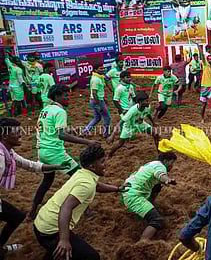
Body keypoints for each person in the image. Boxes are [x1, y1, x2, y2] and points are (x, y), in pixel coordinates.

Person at [33, 145, 129, 260]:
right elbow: (65, 208)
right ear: (92, 166)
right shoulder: (86, 184)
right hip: (50, 232)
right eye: (102, 162)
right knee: (92, 257)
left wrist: (117, 189)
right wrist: (64, 240)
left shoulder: (82, 173)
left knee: (58, 253)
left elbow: (97, 186)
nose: (106, 164)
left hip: (41, 222)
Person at [28, 85, 98, 220]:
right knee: (81, 178)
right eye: (65, 96)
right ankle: (87, 212)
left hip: (42, 151)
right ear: (57, 96)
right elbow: (61, 135)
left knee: (47, 182)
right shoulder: (60, 111)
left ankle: (32, 211)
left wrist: (70, 130)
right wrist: (87, 142)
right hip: (55, 152)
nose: (68, 98)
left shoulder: (46, 108)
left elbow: (51, 130)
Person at [0, 118, 62, 260]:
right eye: (17, 132)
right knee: (15, 216)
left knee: (17, 217)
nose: (21, 134)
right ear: (4, 135)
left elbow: (30, 165)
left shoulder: (8, 152)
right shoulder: (1, 157)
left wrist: (56, 166)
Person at [120, 152, 177, 241]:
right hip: (133, 196)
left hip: (127, 189)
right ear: (165, 161)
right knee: (157, 220)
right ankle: (142, 244)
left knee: (158, 185)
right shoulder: (160, 167)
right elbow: (161, 175)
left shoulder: (153, 163)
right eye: (172, 163)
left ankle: (149, 206)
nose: (172, 166)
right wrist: (167, 180)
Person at [109, 91, 159, 158]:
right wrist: (112, 135)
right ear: (140, 102)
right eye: (146, 101)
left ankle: (159, 153)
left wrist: (153, 123)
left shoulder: (148, 107)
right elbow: (121, 122)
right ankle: (110, 154)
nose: (148, 102)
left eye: (148, 100)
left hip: (141, 124)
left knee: (155, 134)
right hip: (129, 127)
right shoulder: (132, 110)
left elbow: (148, 114)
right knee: (120, 143)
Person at [82, 65, 112, 138]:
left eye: (103, 68)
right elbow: (94, 93)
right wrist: (100, 104)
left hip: (96, 100)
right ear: (95, 70)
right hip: (97, 101)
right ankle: (106, 133)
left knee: (97, 118)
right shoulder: (96, 79)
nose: (103, 69)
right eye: (101, 68)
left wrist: (103, 99)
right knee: (107, 117)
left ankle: (85, 131)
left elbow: (97, 93)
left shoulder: (99, 77)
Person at [107, 70, 136, 144]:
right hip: (124, 109)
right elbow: (115, 100)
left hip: (131, 108)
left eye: (130, 77)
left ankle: (125, 138)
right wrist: (121, 110)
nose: (129, 79)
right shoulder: (119, 88)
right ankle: (119, 138)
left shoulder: (130, 86)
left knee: (129, 123)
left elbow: (134, 97)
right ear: (122, 78)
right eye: (127, 77)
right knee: (125, 123)